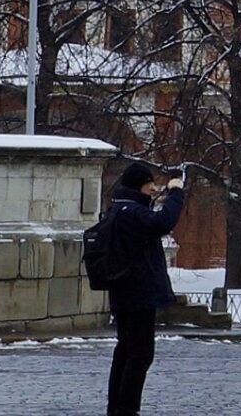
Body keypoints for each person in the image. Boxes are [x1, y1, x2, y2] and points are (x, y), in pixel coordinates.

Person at [103, 160, 185, 416]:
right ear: (140, 186)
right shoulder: (131, 212)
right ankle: (126, 409)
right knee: (139, 354)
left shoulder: (119, 209)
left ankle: (117, 407)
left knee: (126, 350)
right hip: (137, 292)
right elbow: (163, 222)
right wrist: (176, 192)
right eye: (149, 184)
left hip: (125, 290)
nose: (152, 189)